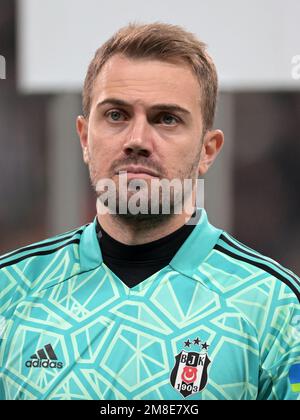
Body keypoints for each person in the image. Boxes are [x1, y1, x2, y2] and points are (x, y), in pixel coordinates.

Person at [0, 23, 299, 401]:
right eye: (116, 115)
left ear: (208, 150)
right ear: (84, 137)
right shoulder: (9, 291)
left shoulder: (275, 307)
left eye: (166, 119)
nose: (137, 140)